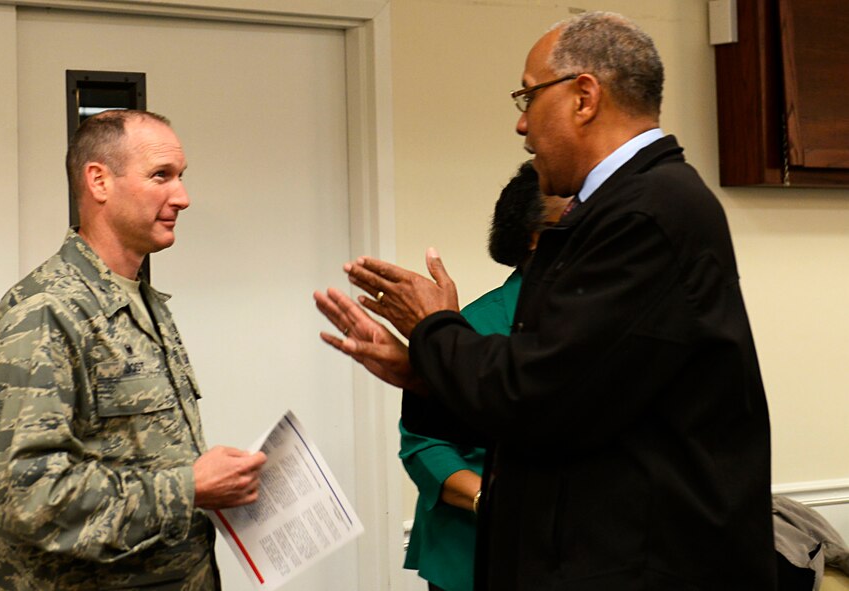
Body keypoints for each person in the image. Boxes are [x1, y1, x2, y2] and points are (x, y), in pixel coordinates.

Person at [316, 11, 776, 590]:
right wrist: (423, 373)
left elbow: (541, 395)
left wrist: (435, 327)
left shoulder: (645, 213)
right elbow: (574, 389)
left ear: (584, 96)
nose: (520, 125)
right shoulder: (618, 209)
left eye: (527, 97)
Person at [0, 109, 267, 590]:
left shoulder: (143, 302)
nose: (183, 197)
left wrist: (207, 479)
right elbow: (25, 495)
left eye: (181, 177)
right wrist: (189, 486)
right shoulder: (46, 313)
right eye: (161, 176)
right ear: (99, 181)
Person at [401, 161, 569, 591]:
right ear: (536, 236)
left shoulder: (592, 318)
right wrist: (491, 503)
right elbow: (424, 443)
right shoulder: (476, 325)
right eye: (574, 216)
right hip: (473, 550)